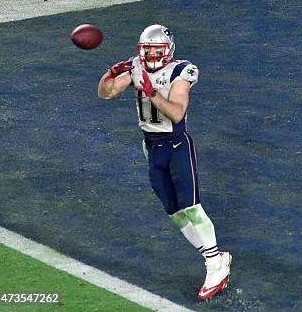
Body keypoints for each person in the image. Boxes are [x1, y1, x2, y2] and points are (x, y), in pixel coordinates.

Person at [97, 24, 231, 300]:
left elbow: (177, 113)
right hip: (152, 147)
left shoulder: (182, 71)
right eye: (147, 51)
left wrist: (151, 91)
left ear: (169, 50)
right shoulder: (136, 66)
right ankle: (216, 256)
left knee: (192, 207)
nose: (151, 57)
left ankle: (214, 267)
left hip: (177, 145)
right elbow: (106, 93)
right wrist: (110, 73)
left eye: (156, 51)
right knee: (174, 212)